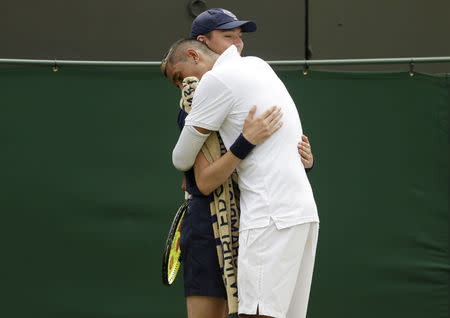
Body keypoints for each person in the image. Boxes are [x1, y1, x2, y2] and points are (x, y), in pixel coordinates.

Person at [164, 38, 319, 318]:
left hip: (268, 214)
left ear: (195, 53)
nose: (182, 85)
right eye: (229, 34)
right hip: (300, 213)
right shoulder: (258, 67)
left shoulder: (216, 82)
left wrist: (246, 143)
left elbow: (180, 159)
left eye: (179, 76)